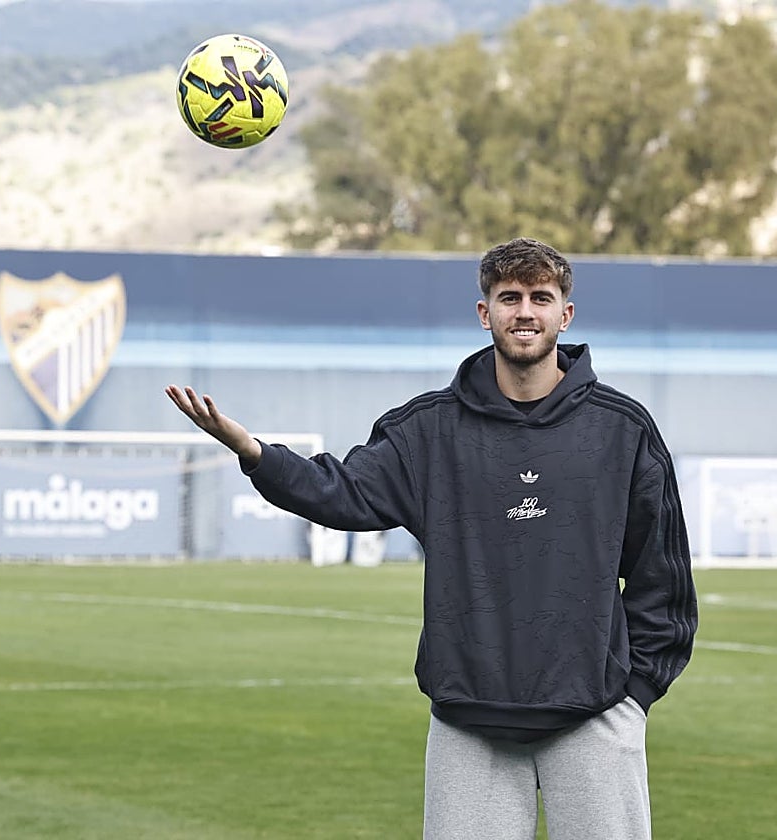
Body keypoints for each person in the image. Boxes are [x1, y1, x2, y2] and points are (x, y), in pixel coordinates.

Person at [164, 236, 698, 840]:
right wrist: (255, 453)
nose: (525, 311)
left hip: (596, 718)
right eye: (509, 297)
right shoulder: (429, 429)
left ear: (565, 314)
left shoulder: (621, 430)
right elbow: (342, 492)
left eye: (540, 298)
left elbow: (663, 575)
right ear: (484, 312)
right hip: (468, 721)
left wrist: (636, 694)